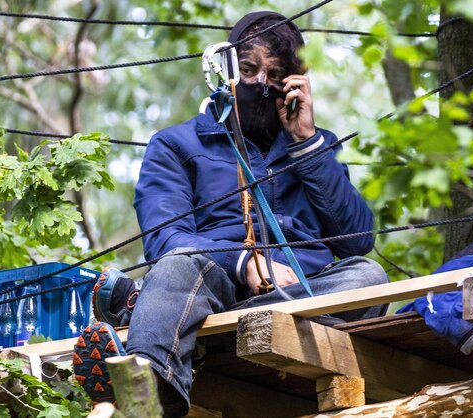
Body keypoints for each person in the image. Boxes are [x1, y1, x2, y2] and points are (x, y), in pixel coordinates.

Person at [74, 11, 389, 416]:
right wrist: (241, 261)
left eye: (275, 76)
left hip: (301, 293)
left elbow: (358, 240)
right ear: (222, 71)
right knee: (174, 267)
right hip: (211, 277)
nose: (260, 84)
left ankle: (170, 315)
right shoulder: (174, 144)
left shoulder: (314, 145)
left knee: (368, 276)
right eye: (247, 70)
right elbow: (164, 238)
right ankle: (146, 392)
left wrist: (306, 144)